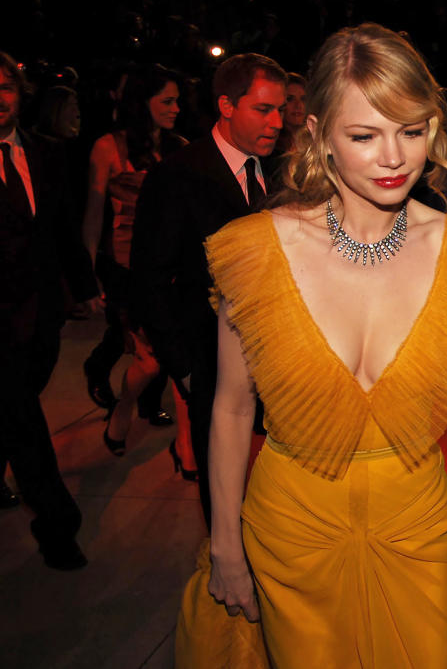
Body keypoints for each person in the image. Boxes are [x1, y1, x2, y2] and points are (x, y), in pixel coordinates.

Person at [177, 23, 447, 667]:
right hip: (292, 535)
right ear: (319, 135)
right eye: (364, 135)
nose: (394, 158)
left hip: (416, 536)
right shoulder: (256, 250)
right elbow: (233, 409)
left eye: (411, 131)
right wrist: (225, 547)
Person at [130, 53, 287, 526]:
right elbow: (149, 277)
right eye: (263, 109)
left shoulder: (279, 171)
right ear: (226, 104)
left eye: (280, 109)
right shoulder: (179, 173)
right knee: (224, 498)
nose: (277, 122)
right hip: (210, 360)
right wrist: (183, 368)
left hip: (278, 361)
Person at [0, 50, 101, 569]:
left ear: (21, 94)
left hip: (40, 314)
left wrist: (85, 286)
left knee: (17, 405)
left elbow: (61, 227)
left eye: (6, 87)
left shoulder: (47, 153)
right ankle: (58, 524)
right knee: (23, 416)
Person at [82, 65, 186, 459]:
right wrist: (88, 271)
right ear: (142, 103)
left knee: (160, 356)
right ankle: (123, 411)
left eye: (178, 100)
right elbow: (93, 214)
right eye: (167, 101)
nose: (177, 108)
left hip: (167, 267)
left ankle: (134, 410)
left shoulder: (178, 146)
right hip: (124, 266)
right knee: (148, 358)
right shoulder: (108, 147)